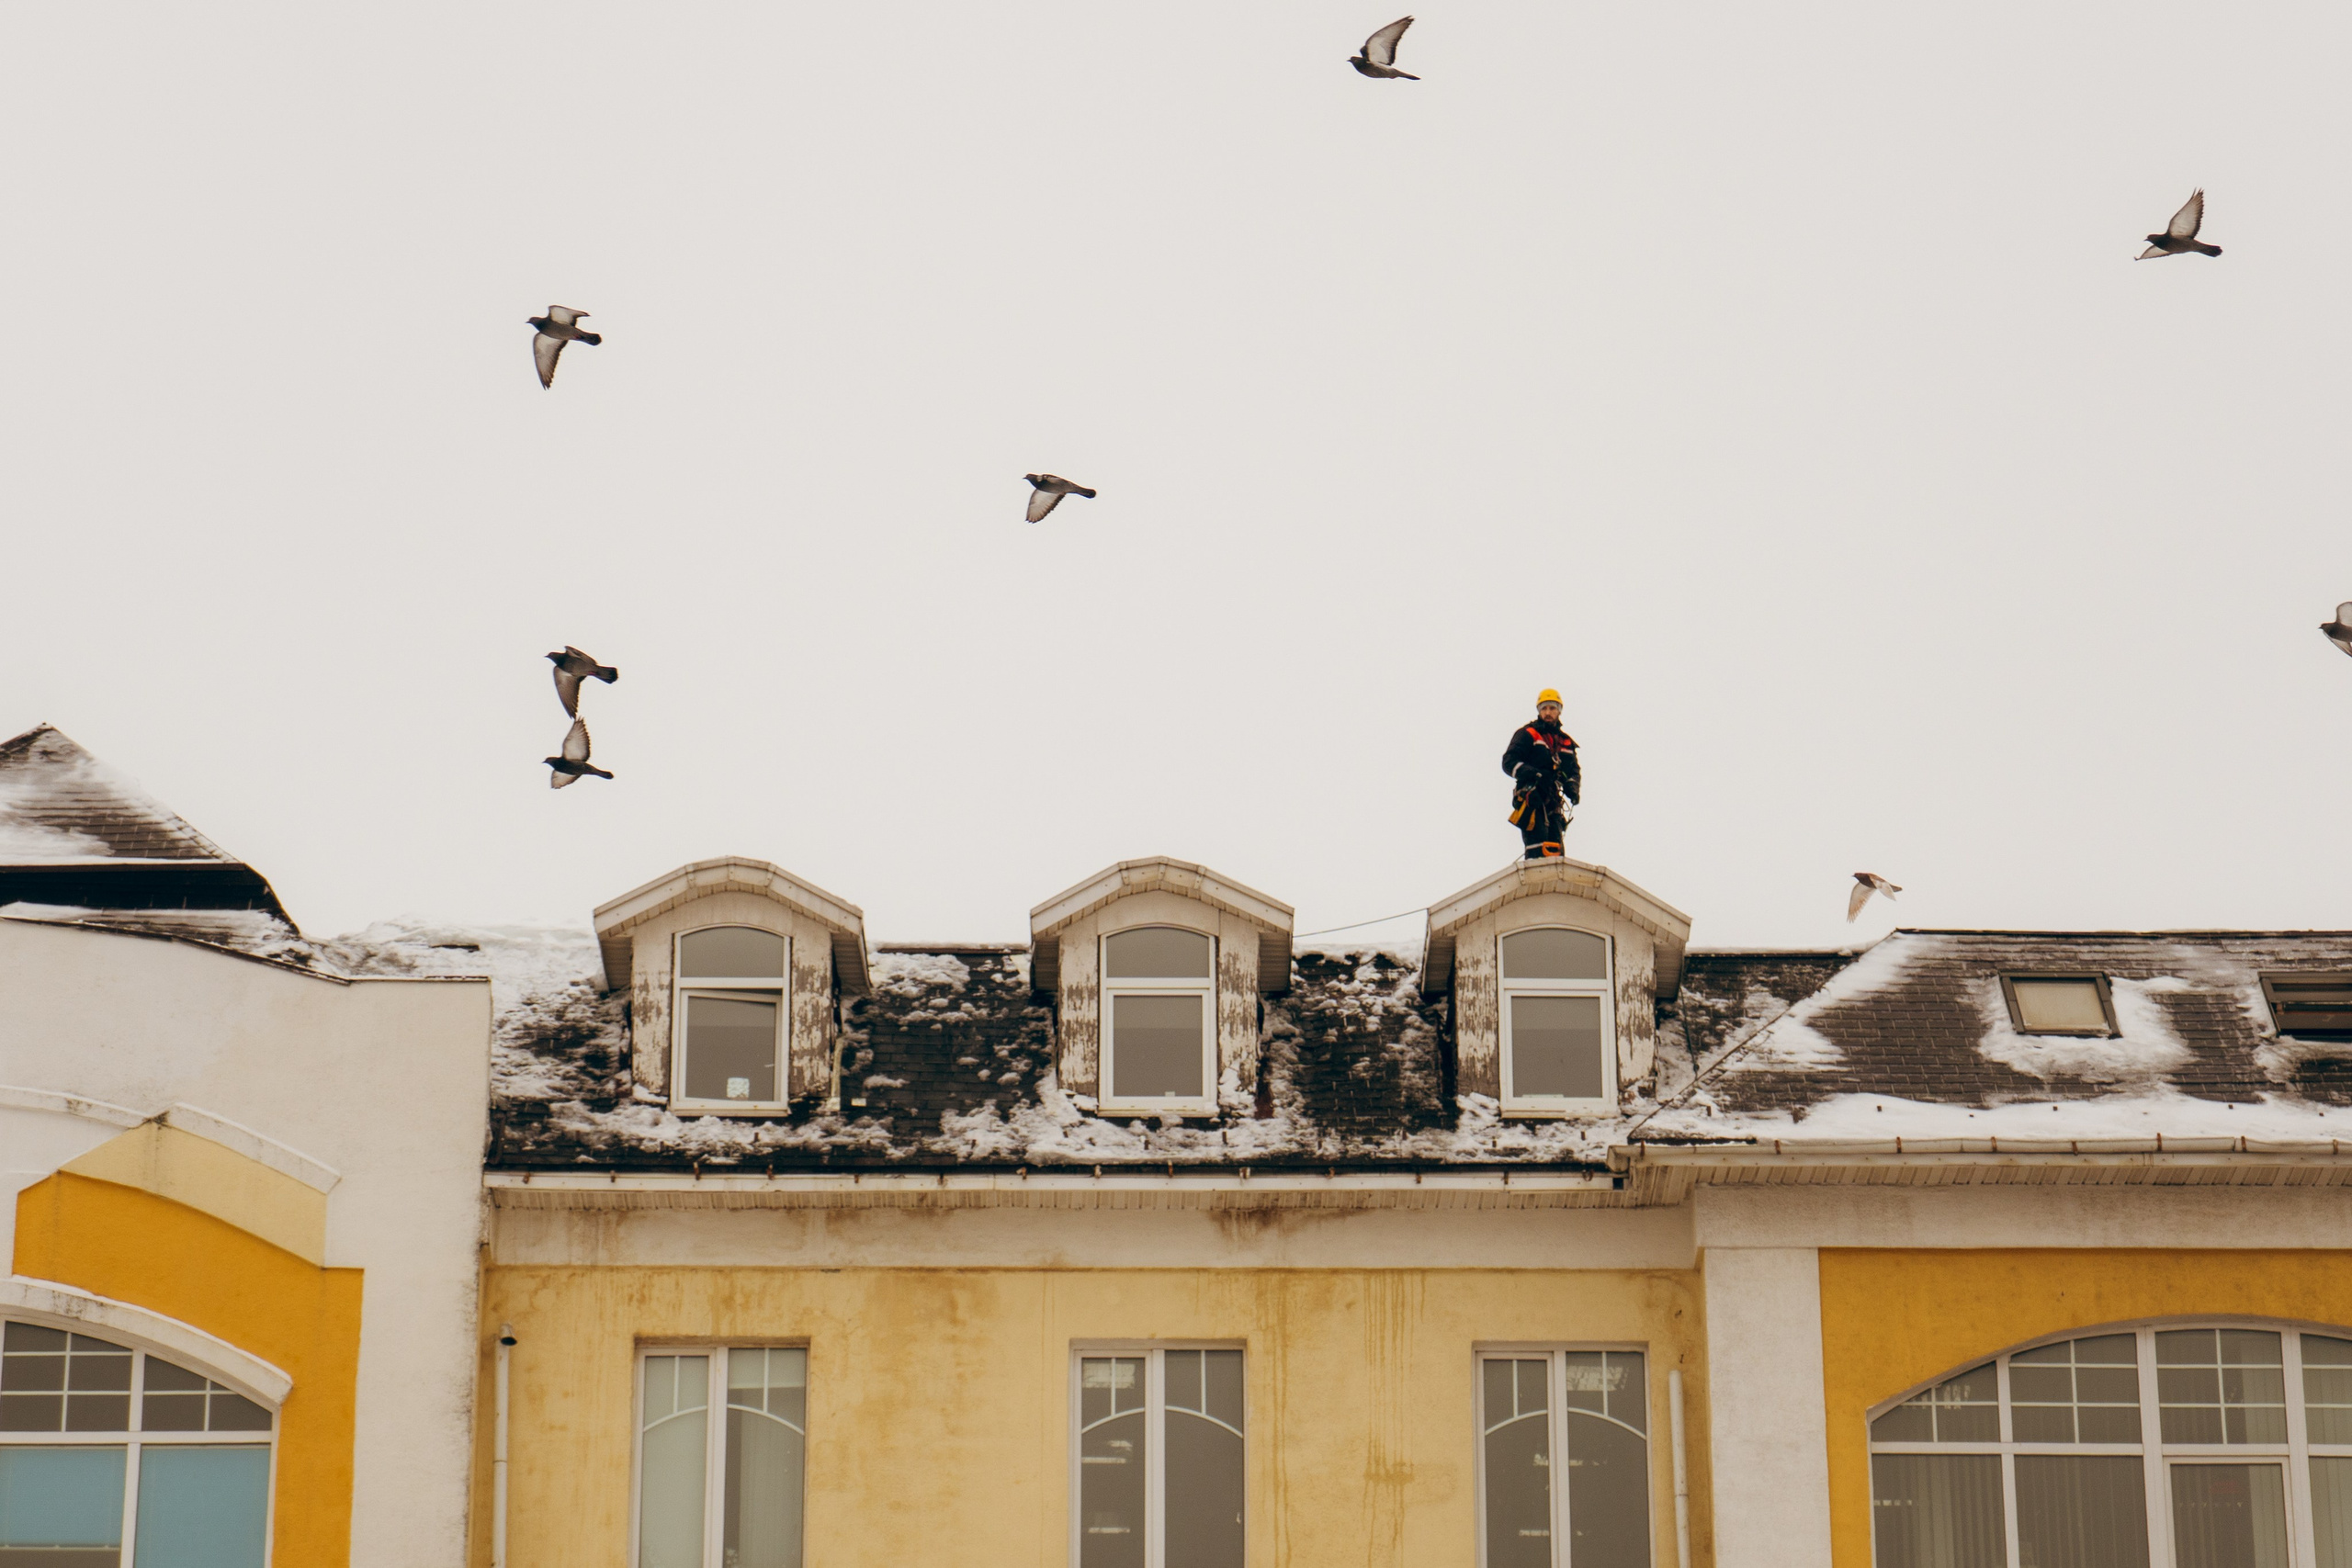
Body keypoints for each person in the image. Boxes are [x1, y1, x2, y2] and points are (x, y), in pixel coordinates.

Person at [1502, 689, 1581, 860]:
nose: (1547, 713)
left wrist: (1572, 786)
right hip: (1532, 796)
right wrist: (1533, 773)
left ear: (1559, 711)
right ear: (1539, 711)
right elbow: (1509, 762)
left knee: (1556, 850)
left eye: (1552, 708)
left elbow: (1573, 770)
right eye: (1544, 708)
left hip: (1553, 800)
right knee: (1537, 847)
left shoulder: (1565, 742)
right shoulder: (1528, 734)